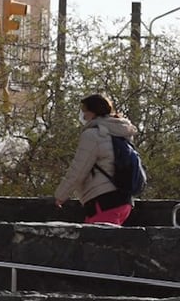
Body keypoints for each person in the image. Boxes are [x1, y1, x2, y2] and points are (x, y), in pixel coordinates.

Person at [54, 93, 139, 226]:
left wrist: (60, 196)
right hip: (124, 202)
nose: (83, 116)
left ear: (93, 112)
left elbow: (78, 170)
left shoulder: (93, 135)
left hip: (103, 202)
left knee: (99, 244)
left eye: (84, 111)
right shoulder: (120, 133)